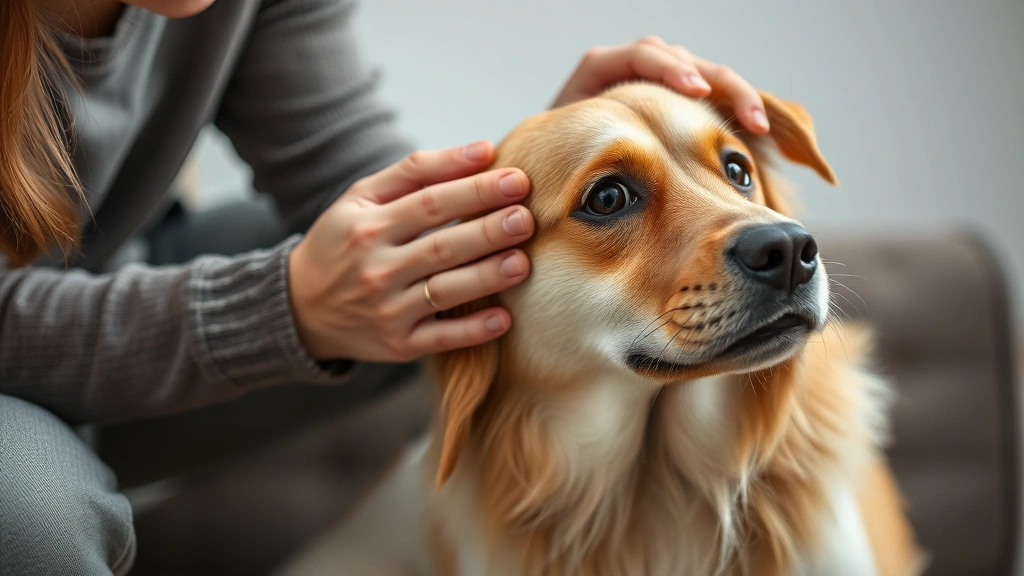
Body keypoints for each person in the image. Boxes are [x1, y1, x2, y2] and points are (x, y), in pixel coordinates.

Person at [0, 0, 770, 573]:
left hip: (96, 288)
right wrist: (278, 310)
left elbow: (361, 178)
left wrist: (557, 161)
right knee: (29, 518)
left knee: (432, 284)